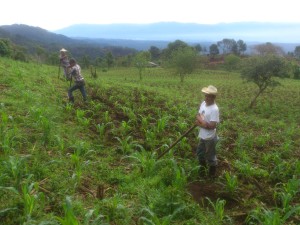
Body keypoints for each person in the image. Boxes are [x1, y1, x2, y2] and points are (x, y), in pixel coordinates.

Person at [195, 85, 219, 177]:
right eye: (206, 95)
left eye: (209, 96)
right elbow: (198, 115)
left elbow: (212, 126)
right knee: (200, 153)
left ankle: (211, 175)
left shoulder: (214, 109)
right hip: (202, 135)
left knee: (210, 157)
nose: (206, 98)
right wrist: (204, 123)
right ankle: (202, 172)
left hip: (210, 137)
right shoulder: (203, 104)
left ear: (213, 97)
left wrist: (200, 123)